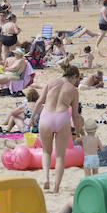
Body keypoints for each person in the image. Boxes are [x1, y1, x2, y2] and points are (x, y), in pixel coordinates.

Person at [31, 64, 83, 193]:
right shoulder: (73, 90)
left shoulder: (51, 81)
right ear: (75, 77)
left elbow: (39, 102)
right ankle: (56, 188)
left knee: (46, 152)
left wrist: (32, 118)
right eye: (78, 79)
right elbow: (75, 115)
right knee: (60, 156)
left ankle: (46, 177)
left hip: (46, 117)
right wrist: (77, 131)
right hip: (62, 118)